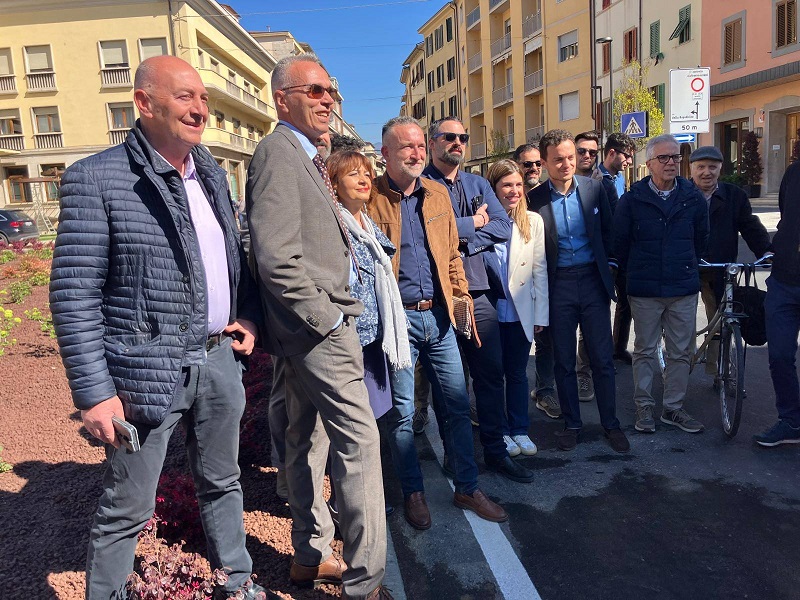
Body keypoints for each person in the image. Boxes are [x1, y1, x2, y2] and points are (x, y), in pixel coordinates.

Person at [49, 56, 265, 599]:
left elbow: (231, 255)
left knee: (223, 482)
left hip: (218, 358)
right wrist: (94, 394)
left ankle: (237, 583)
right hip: (143, 370)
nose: (200, 109)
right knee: (128, 505)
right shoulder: (96, 178)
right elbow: (73, 294)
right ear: (144, 103)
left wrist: (247, 313)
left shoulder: (210, 172)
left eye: (203, 98)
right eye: (185, 96)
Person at [246, 53, 390, 600]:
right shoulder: (278, 154)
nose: (327, 99)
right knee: (360, 445)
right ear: (281, 99)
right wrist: (327, 319)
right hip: (318, 331)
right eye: (314, 91)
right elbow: (275, 257)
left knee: (305, 441)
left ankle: (310, 557)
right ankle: (365, 581)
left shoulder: (304, 154)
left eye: (330, 91)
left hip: (304, 333)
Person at [368, 115, 508, 530]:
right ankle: (413, 492)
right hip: (399, 323)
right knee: (402, 414)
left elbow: (450, 256)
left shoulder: (437, 194)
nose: (415, 153)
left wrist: (461, 297)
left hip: (441, 318)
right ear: (385, 153)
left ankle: (467, 486)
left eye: (418, 146)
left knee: (458, 405)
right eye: (405, 147)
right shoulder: (370, 198)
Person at [422, 117, 536, 475]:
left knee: (490, 376)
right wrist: (474, 222)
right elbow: (425, 232)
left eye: (463, 137)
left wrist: (460, 240)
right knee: (449, 388)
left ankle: (496, 451)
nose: (457, 142)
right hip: (439, 298)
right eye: (449, 137)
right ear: (432, 142)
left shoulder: (477, 183)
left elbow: (503, 227)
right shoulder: (420, 185)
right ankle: (456, 458)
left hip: (480, 294)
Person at [527, 129, 629, 453]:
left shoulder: (595, 189)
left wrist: (611, 266)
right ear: (545, 163)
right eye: (558, 159)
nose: (567, 164)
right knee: (563, 360)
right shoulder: (534, 199)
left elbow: (611, 232)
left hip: (592, 282)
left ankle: (611, 424)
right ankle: (572, 424)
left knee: (602, 357)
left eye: (571, 157)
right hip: (557, 285)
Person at [613, 134, 709, 435]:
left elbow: (701, 239)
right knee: (644, 349)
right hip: (645, 289)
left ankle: (673, 408)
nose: (671, 163)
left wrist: (686, 265)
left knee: (681, 351)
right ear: (649, 163)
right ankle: (644, 405)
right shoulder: (632, 200)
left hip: (682, 287)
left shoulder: (692, 197)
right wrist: (635, 272)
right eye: (663, 158)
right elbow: (620, 243)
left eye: (675, 157)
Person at [689, 146, 771, 378]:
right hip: (687, 266)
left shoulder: (735, 196)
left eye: (712, 167)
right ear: (691, 169)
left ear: (720, 168)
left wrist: (766, 251)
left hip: (720, 266)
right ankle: (681, 365)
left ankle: (717, 369)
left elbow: (749, 225)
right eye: (701, 167)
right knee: (682, 319)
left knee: (721, 318)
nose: (707, 172)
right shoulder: (682, 193)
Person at [486, 159, 549, 455]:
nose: (514, 191)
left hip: (520, 310)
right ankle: (500, 431)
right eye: (506, 185)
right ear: (493, 187)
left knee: (517, 373)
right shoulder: (482, 219)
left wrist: (540, 314)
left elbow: (539, 269)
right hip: (489, 311)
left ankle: (519, 429)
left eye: (518, 185)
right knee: (492, 374)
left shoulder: (532, 221)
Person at [754, 160, 800, 446]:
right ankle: (791, 421)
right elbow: (786, 216)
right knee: (780, 355)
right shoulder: (794, 172)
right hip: (784, 281)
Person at [593, 132, 636, 364]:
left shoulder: (618, 178)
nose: (629, 161)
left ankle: (618, 348)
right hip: (604, 252)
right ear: (612, 153)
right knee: (600, 306)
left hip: (623, 251)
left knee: (625, 302)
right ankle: (599, 357)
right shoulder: (597, 179)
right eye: (627, 156)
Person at [572, 131, 603, 402]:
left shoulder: (602, 185)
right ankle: (552, 383)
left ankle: (584, 374)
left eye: (592, 152)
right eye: (582, 150)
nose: (587, 156)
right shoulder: (555, 186)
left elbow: (612, 227)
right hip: (561, 272)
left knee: (590, 332)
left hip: (593, 271)